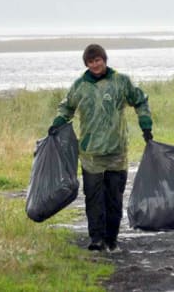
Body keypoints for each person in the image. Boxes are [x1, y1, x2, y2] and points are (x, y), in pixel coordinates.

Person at [48, 44, 153, 252]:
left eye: (98, 60)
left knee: (114, 198)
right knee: (93, 197)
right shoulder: (80, 85)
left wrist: (146, 124)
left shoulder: (121, 81)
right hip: (90, 152)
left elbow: (140, 101)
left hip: (116, 151)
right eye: (90, 62)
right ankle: (96, 238)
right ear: (86, 64)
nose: (95, 65)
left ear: (104, 60)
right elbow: (67, 107)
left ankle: (111, 239)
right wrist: (58, 122)